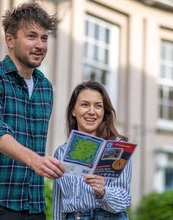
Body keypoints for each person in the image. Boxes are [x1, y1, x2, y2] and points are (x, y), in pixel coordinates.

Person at [0, 3, 65, 220]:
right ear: (10, 40)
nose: (40, 45)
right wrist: (35, 160)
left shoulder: (45, 87)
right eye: (31, 36)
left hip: (34, 207)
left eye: (44, 38)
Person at [53, 81, 132, 220]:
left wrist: (104, 192)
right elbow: (58, 204)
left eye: (98, 106)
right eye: (85, 105)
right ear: (73, 111)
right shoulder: (61, 152)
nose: (91, 111)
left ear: (104, 112)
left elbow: (124, 200)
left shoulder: (118, 148)